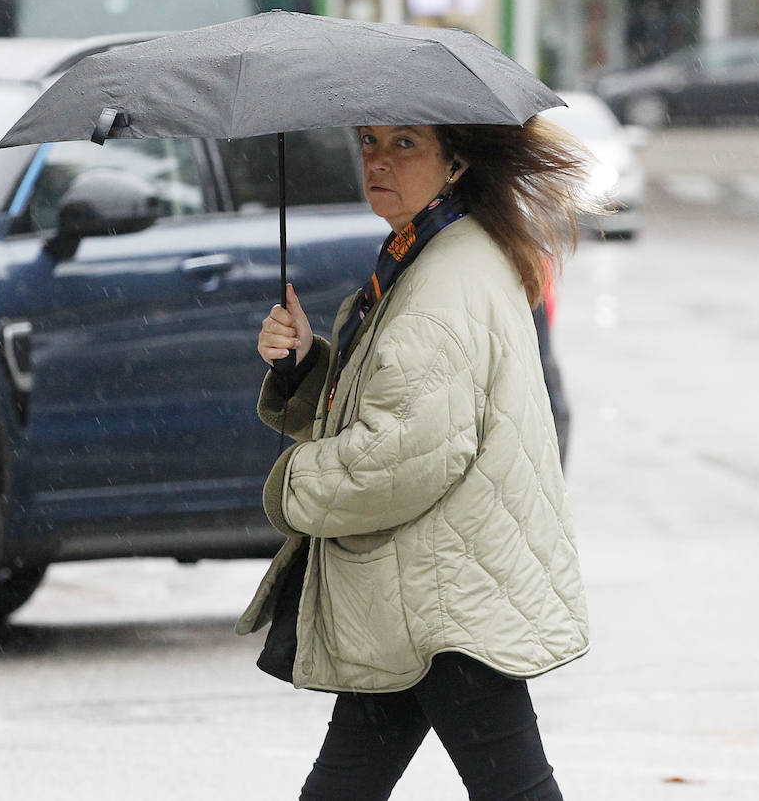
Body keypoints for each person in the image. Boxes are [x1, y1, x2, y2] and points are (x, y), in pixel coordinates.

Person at [237, 118, 594, 801]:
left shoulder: (442, 280)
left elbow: (399, 458)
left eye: (406, 144)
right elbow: (406, 405)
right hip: (426, 589)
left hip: (440, 593)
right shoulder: (432, 250)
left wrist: (292, 485)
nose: (378, 160)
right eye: (368, 141)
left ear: (455, 162)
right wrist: (307, 364)